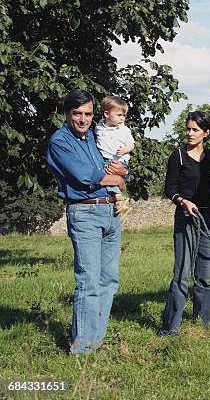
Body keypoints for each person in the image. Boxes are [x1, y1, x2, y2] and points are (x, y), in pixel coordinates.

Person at [46, 89, 128, 354]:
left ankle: (96, 341)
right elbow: (84, 176)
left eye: (88, 114)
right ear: (67, 113)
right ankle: (82, 349)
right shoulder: (60, 141)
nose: (83, 119)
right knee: (89, 282)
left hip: (110, 212)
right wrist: (115, 179)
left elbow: (116, 168)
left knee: (109, 281)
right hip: (85, 213)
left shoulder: (94, 137)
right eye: (77, 114)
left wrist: (121, 174)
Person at [160, 111, 210, 335]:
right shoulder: (178, 156)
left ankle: (208, 321)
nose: (190, 133)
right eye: (188, 129)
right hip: (185, 218)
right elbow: (169, 189)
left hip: (207, 219)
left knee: (204, 272)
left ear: (206, 133)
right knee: (182, 274)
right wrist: (182, 201)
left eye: (195, 129)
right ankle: (171, 327)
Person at [95, 95, 135, 216]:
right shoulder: (99, 128)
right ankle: (119, 200)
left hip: (118, 161)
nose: (122, 118)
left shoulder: (124, 130)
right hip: (103, 160)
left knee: (110, 176)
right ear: (107, 114)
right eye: (119, 115)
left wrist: (124, 150)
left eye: (124, 115)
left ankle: (119, 198)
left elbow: (132, 144)